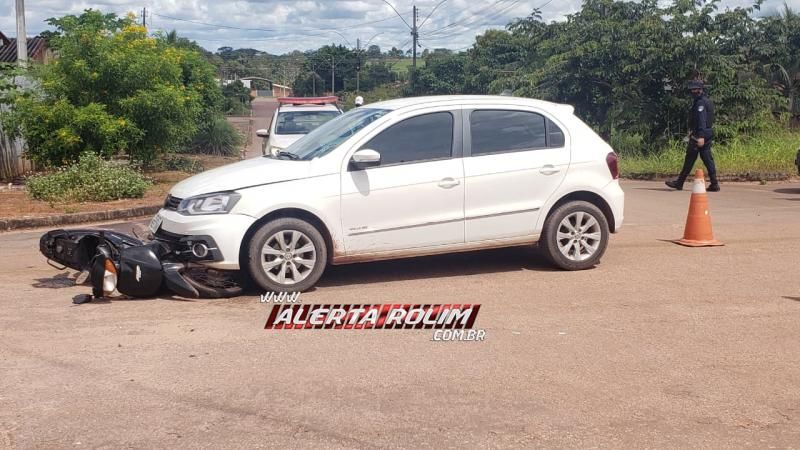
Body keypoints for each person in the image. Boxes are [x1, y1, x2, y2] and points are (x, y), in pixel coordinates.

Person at [665, 80, 720, 192]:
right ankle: (714, 184)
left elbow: (701, 120)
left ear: (700, 89)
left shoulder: (700, 103)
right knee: (707, 158)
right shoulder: (706, 101)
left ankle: (679, 183)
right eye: (692, 89)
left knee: (690, 158)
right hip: (706, 132)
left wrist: (700, 136)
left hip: (700, 134)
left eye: (695, 89)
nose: (693, 91)